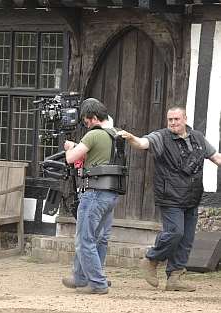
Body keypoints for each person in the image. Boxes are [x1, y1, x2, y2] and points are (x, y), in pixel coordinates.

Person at [118, 106, 221, 292]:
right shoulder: (161, 137)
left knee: (187, 239)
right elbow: (142, 143)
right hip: (170, 196)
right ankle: (151, 260)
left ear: (185, 119)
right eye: (170, 119)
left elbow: (215, 157)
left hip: (192, 196)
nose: (173, 122)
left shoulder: (197, 137)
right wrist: (131, 138)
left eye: (176, 119)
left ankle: (175, 278)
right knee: (175, 233)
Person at [61, 98, 125, 295]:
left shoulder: (94, 135)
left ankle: (98, 283)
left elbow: (71, 159)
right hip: (110, 194)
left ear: (94, 118)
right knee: (100, 238)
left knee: (85, 240)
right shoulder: (116, 134)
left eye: (87, 121)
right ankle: (80, 277)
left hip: (94, 193)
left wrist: (71, 148)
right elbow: (99, 157)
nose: (86, 124)